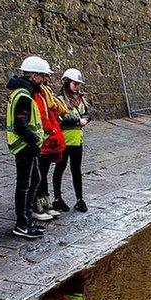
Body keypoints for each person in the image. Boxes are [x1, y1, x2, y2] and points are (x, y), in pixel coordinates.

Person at [5, 56, 50, 239]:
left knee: (34, 180)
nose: (45, 80)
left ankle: (26, 219)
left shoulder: (23, 92)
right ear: (33, 76)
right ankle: (21, 224)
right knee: (24, 185)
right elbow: (20, 125)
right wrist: (34, 141)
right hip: (24, 147)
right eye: (43, 76)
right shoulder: (24, 96)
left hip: (26, 146)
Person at [54, 68, 91, 213]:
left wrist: (85, 120)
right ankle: (57, 199)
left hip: (77, 141)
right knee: (60, 169)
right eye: (75, 83)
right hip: (63, 141)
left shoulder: (80, 99)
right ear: (67, 82)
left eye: (78, 84)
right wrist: (77, 121)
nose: (77, 86)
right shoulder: (59, 99)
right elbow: (59, 119)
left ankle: (79, 199)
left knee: (76, 170)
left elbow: (88, 114)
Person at [33, 81, 67, 221]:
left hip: (50, 140)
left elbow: (57, 112)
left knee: (44, 173)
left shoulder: (46, 94)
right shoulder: (37, 95)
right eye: (44, 75)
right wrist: (51, 131)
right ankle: (37, 203)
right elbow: (42, 117)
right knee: (38, 174)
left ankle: (45, 200)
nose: (46, 79)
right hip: (45, 140)